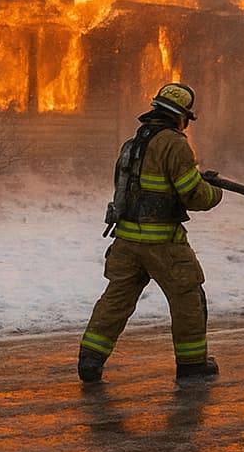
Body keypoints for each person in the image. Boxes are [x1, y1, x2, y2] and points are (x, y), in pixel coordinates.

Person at [77, 81, 223, 384]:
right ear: (180, 116)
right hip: (163, 244)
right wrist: (214, 192)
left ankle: (90, 359)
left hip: (126, 241)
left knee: (116, 300)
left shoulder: (132, 144)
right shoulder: (175, 143)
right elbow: (193, 196)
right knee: (188, 298)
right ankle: (192, 365)